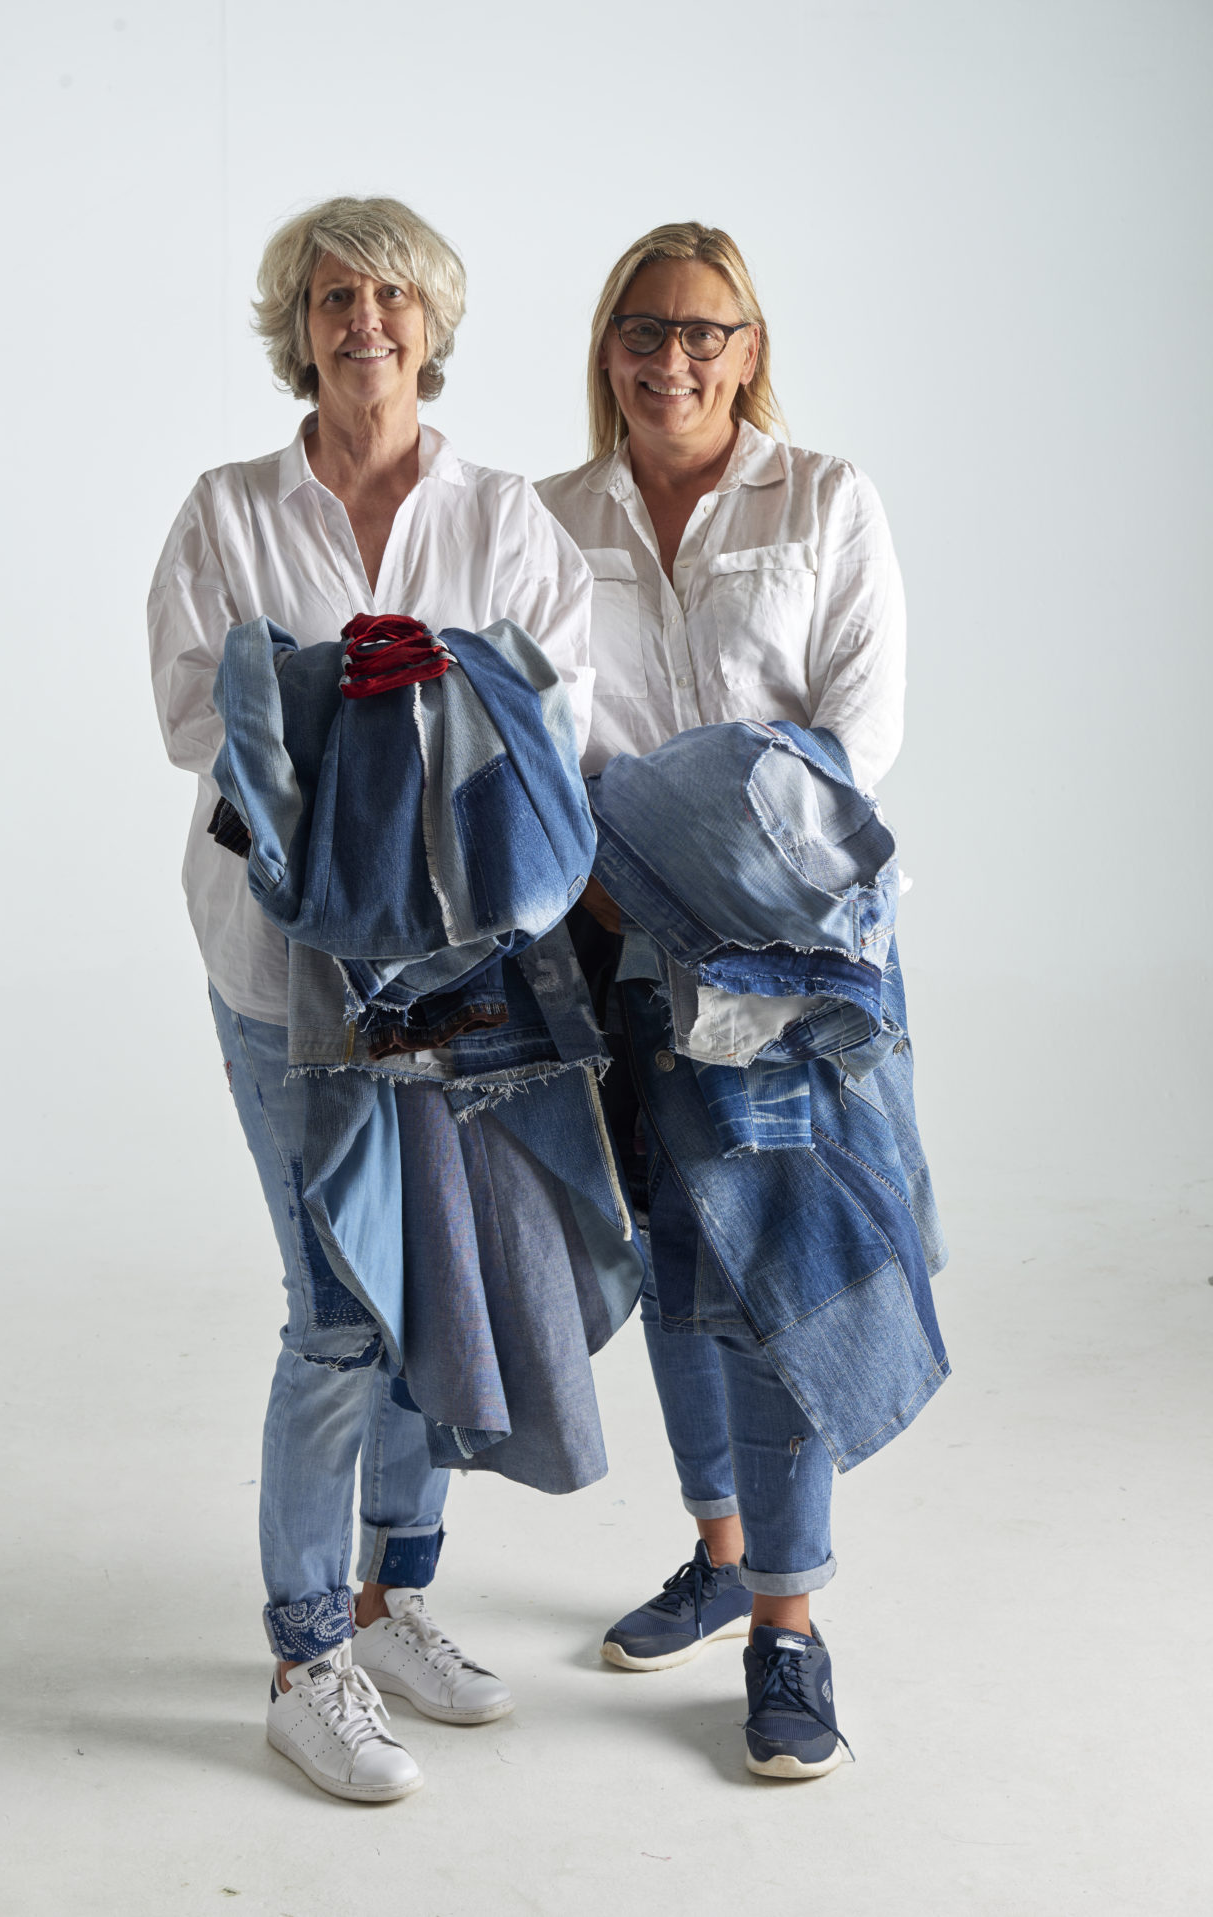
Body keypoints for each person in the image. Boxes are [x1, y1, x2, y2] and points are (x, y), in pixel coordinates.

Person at [148, 196, 593, 1802]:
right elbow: (196, 715)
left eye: (393, 295)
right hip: (283, 974)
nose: (366, 322)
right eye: (336, 297)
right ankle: (301, 1652)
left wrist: (425, 676)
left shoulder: (504, 513)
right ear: (301, 326)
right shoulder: (229, 509)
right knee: (338, 1311)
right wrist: (365, 684)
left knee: (435, 1296)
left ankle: (396, 1593)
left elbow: (557, 705)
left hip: (461, 974)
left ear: (431, 322)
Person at [538, 221, 942, 1779]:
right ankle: (719, 1547)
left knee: (787, 1268)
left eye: (704, 331)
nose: (671, 358)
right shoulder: (548, 516)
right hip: (606, 935)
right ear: (608, 347)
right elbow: (534, 736)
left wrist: (693, 836)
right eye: (642, 329)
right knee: (669, 1249)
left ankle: (789, 1623)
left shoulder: (825, 498)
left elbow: (859, 734)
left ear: (749, 347)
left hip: (783, 956)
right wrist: (622, 868)